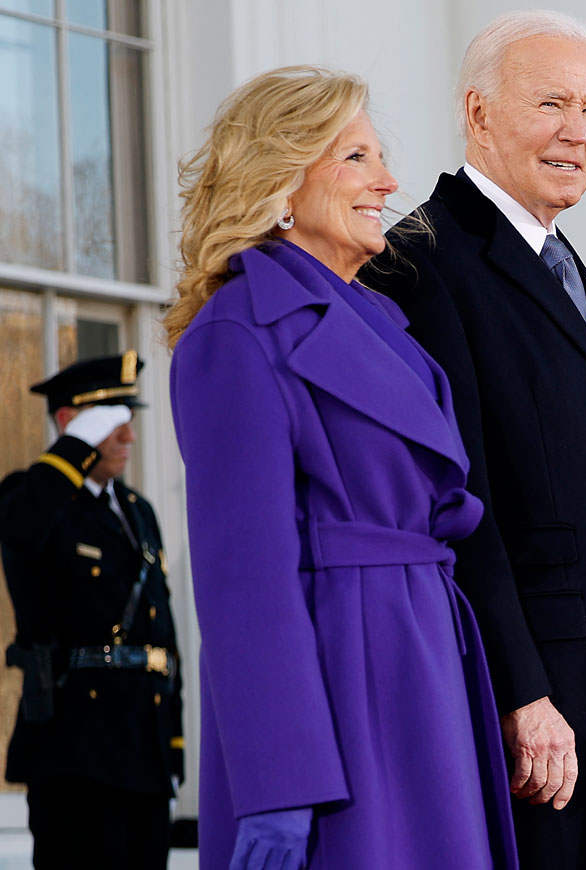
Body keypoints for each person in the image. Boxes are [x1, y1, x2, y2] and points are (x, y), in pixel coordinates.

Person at [362, 11, 586, 869]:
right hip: (548, 700)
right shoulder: (419, 259)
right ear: (478, 113)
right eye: (553, 103)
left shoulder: (565, 262)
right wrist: (519, 689)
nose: (578, 131)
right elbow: (457, 501)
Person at [163, 66, 517, 870]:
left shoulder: (384, 321)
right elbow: (243, 577)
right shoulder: (238, 333)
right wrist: (279, 783)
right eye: (356, 157)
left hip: (420, 659)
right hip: (342, 685)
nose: (388, 182)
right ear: (281, 185)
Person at [0, 351, 184, 870]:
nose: (129, 437)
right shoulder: (34, 497)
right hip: (76, 750)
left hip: (143, 748)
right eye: (112, 424)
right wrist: (72, 449)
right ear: (68, 424)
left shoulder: (136, 512)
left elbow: (160, 631)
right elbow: (19, 529)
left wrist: (173, 745)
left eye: (129, 423)